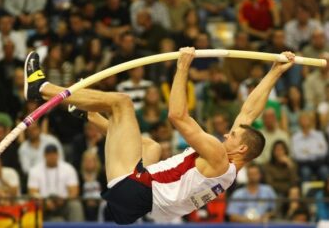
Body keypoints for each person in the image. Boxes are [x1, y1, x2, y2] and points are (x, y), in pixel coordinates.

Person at [23, 47, 295, 224]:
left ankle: (41, 87)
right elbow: (249, 112)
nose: (226, 132)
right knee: (149, 145)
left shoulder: (219, 157)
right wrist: (274, 72)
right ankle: (88, 115)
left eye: (232, 134)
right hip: (140, 204)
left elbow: (177, 116)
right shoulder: (228, 169)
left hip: (135, 190)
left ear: (243, 150)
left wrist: (182, 67)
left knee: (122, 103)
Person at [28, 144, 84, 221]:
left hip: (64, 202)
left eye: (54, 154)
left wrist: (64, 199)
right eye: (49, 154)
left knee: (75, 205)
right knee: (56, 220)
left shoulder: (68, 169)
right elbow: (33, 192)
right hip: (43, 204)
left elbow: (74, 191)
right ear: (44, 155)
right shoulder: (35, 170)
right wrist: (45, 202)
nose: (52, 156)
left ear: (58, 155)